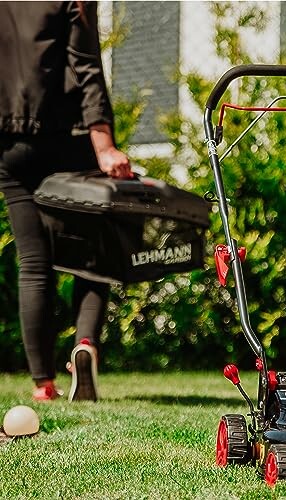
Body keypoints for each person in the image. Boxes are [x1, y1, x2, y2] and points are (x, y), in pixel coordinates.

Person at [0, 1, 132, 401]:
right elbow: (86, 61)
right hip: (69, 138)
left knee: (34, 263)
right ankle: (86, 344)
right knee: (93, 256)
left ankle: (43, 384)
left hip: (10, 142)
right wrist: (104, 144)